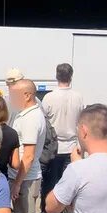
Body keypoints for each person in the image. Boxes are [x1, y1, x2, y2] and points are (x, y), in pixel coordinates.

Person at [6, 79, 46, 213]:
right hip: (22, 177)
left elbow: (28, 156)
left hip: (27, 179)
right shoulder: (26, 115)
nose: (11, 99)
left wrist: (18, 182)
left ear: (28, 95)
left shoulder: (31, 119)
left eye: (14, 95)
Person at [40, 63, 85, 201]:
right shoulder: (78, 97)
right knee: (69, 185)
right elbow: (82, 121)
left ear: (56, 76)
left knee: (51, 184)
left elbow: (43, 121)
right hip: (72, 147)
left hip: (53, 148)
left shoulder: (49, 97)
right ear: (71, 76)